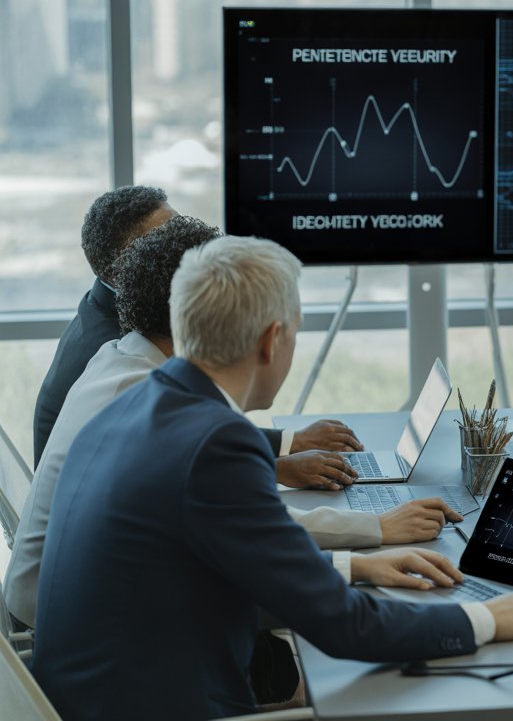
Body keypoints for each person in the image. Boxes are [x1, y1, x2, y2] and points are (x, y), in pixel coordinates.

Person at [32, 235, 513, 721]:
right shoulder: (219, 445)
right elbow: (343, 630)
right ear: (272, 340)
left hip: (85, 694)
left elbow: (221, 563)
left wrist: (355, 566)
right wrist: (484, 618)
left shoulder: (137, 401)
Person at [6, 218, 459, 629]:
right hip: (87, 633)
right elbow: (267, 540)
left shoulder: (117, 360)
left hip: (78, 614)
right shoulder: (164, 410)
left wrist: (356, 559)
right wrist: (376, 531)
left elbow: (247, 533)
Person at [31, 185, 370, 467]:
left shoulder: (110, 319)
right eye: (169, 238)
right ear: (136, 263)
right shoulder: (116, 347)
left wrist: (284, 453)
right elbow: (188, 434)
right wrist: (282, 455)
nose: (191, 246)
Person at [32, 186, 176, 465]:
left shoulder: (102, 305)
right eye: (169, 242)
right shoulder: (121, 344)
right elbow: (183, 439)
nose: (188, 245)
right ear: (124, 267)